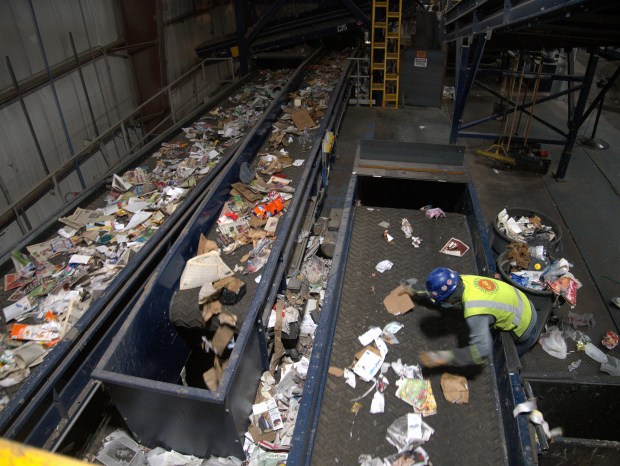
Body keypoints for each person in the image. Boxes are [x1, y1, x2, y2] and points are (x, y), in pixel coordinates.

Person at [411, 267, 543, 368]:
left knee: (506, 361)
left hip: (524, 326)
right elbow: (442, 289)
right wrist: (415, 289)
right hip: (523, 301)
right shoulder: (461, 280)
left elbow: (481, 351)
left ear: (451, 299)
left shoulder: (475, 311)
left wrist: (442, 357)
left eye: (443, 302)